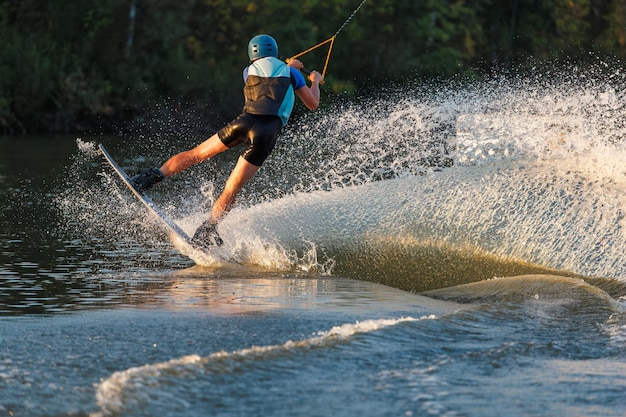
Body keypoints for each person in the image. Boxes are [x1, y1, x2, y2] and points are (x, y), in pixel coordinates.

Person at [131, 34, 322, 247]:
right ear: (275, 51)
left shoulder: (248, 71)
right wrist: (314, 81)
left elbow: (269, 76)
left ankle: (148, 178)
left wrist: (291, 67)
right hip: (266, 133)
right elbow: (312, 103)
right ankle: (207, 230)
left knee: (196, 154)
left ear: (252, 54)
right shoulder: (292, 74)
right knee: (231, 188)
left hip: (243, 122)